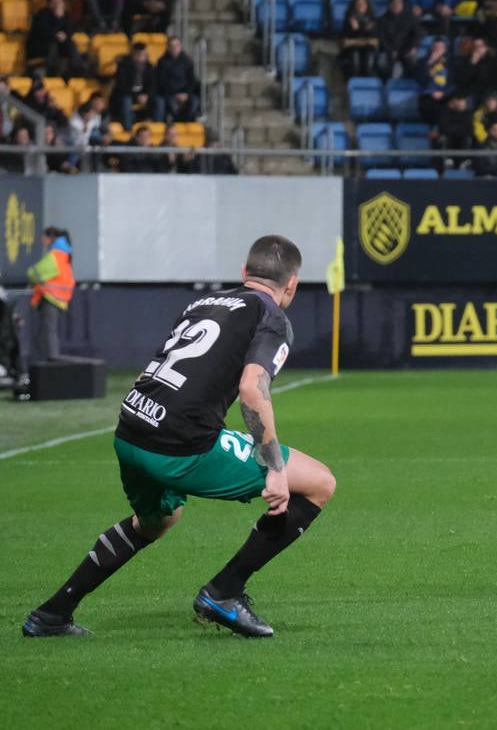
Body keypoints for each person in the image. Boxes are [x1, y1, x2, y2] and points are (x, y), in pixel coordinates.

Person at [21, 236, 337, 639]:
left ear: (244, 273)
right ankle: (224, 592)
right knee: (318, 483)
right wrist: (274, 469)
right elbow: (252, 389)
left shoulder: (203, 303)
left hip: (131, 427)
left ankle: (52, 613)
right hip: (179, 443)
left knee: (158, 519)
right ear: (291, 284)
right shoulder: (272, 316)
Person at [24, 227, 73, 362]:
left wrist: (32, 275)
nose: (42, 240)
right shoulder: (65, 254)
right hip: (60, 299)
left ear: (50, 237)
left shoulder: (55, 255)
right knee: (49, 332)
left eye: (43, 237)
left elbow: (34, 273)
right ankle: (50, 360)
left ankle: (51, 361)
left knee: (48, 332)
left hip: (50, 297)